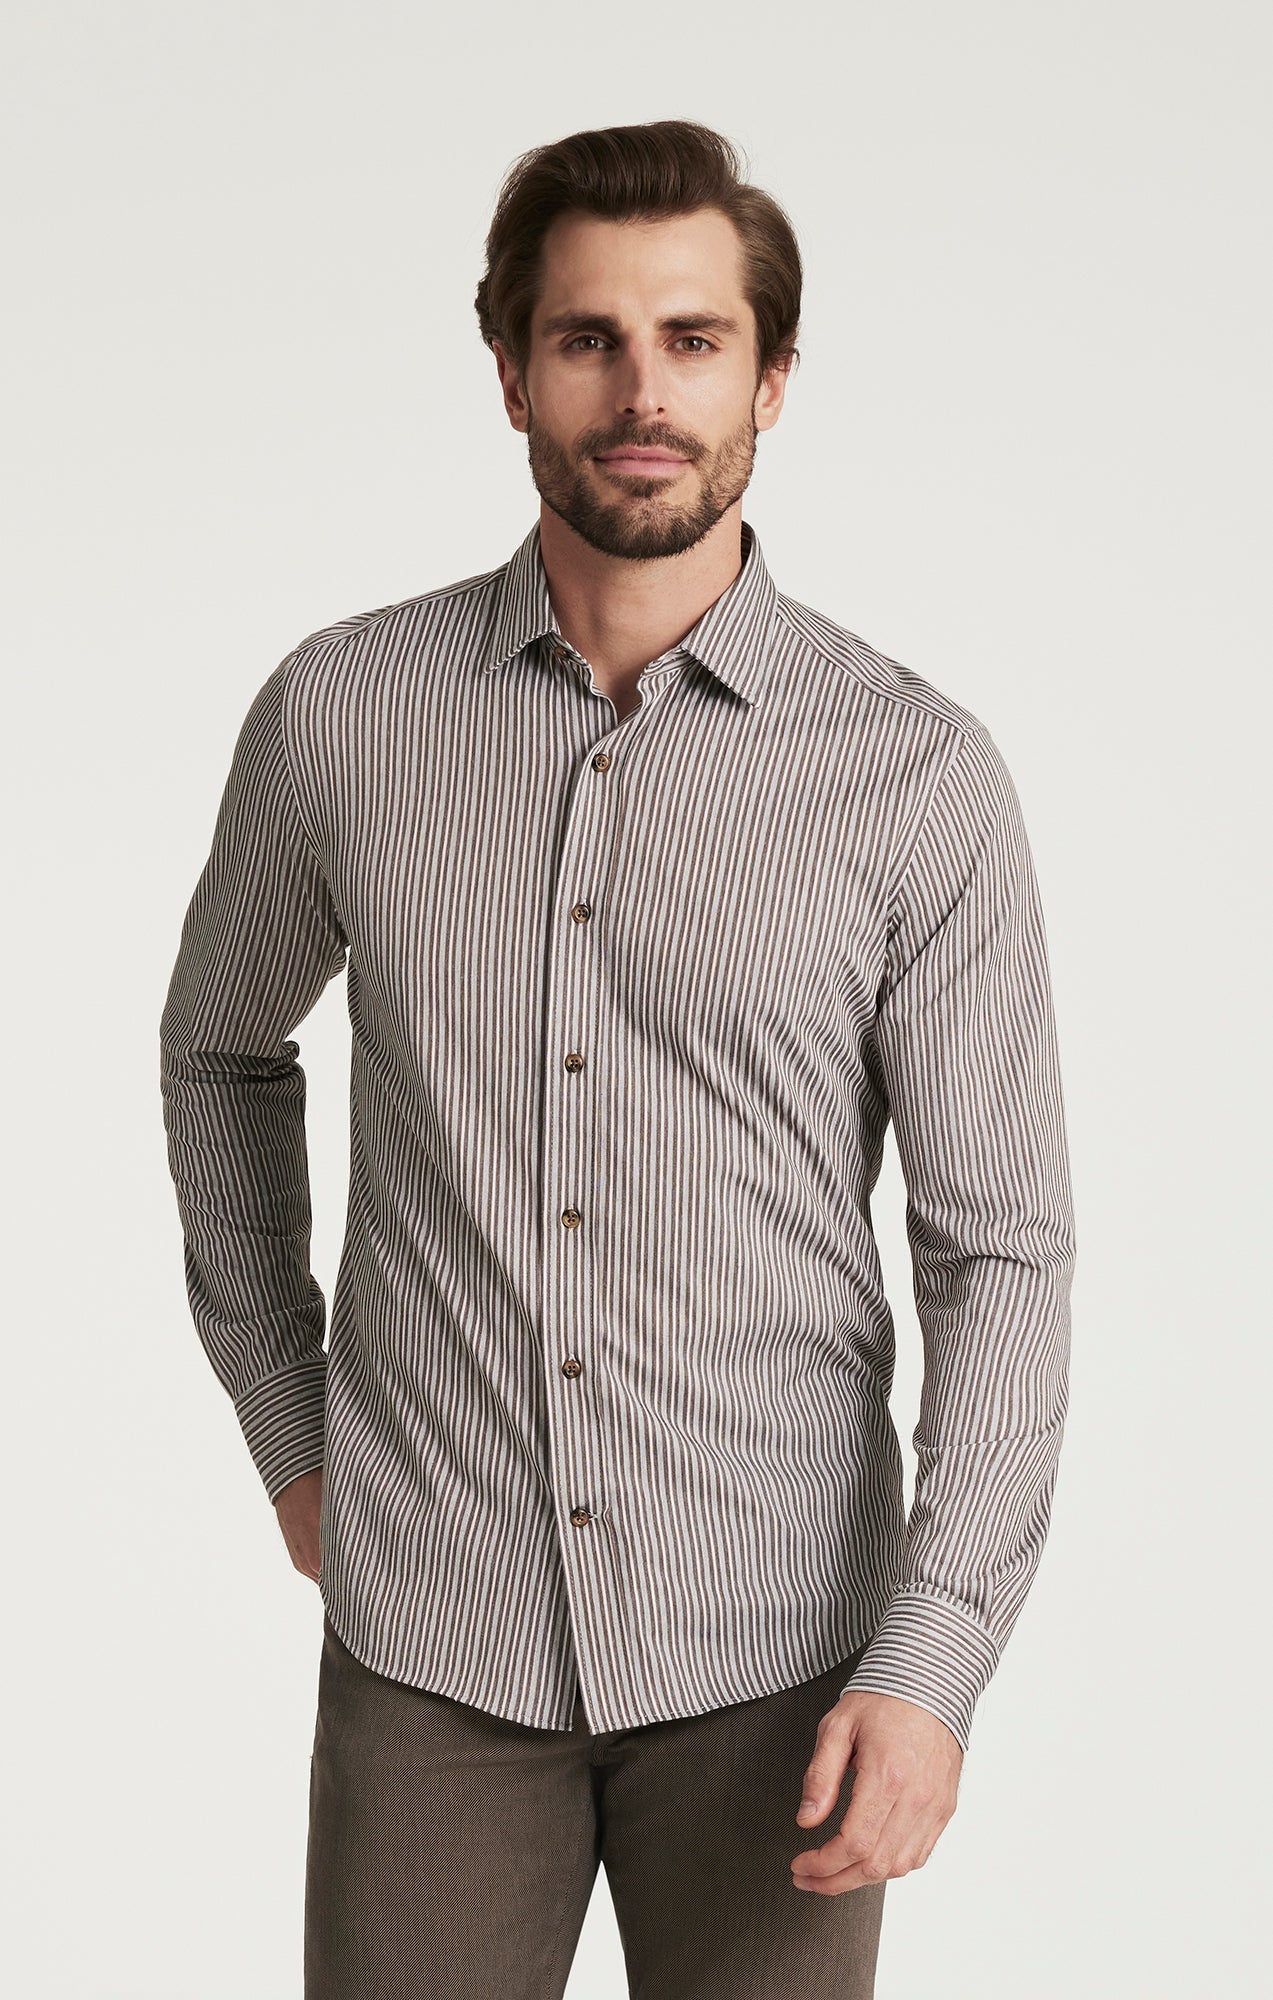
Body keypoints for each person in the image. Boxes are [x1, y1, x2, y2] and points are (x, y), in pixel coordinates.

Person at [159, 118, 1076, 2000]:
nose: (642, 392)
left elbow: (1000, 1249)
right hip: (432, 1641)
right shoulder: (340, 716)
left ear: (771, 378)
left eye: (693, 339)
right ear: (510, 369)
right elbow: (220, 1053)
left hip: (781, 1665)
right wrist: (289, 1424)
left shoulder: (914, 776)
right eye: (587, 339)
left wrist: (932, 1663)